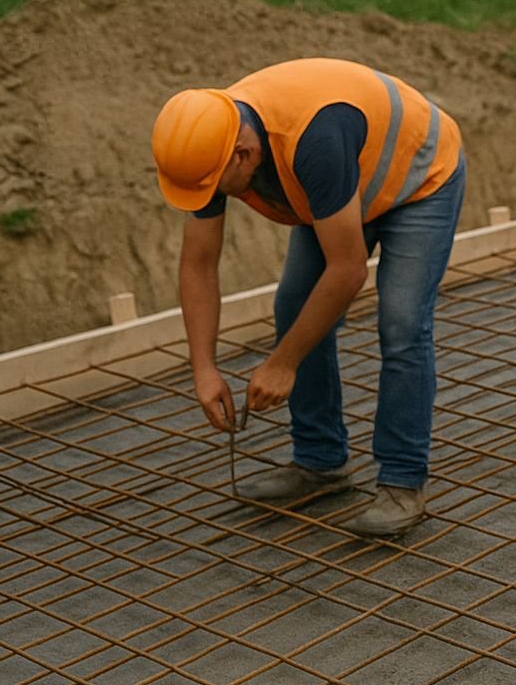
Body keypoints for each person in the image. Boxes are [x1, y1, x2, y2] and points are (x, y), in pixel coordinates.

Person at [151, 57, 466, 536]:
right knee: (295, 306)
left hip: (418, 181)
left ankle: (403, 483)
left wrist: (283, 363)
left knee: (401, 323)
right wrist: (203, 368)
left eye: (213, 188)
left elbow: (347, 270)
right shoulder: (212, 144)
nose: (210, 198)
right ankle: (321, 462)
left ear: (243, 155)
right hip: (344, 185)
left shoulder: (312, 140)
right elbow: (198, 264)